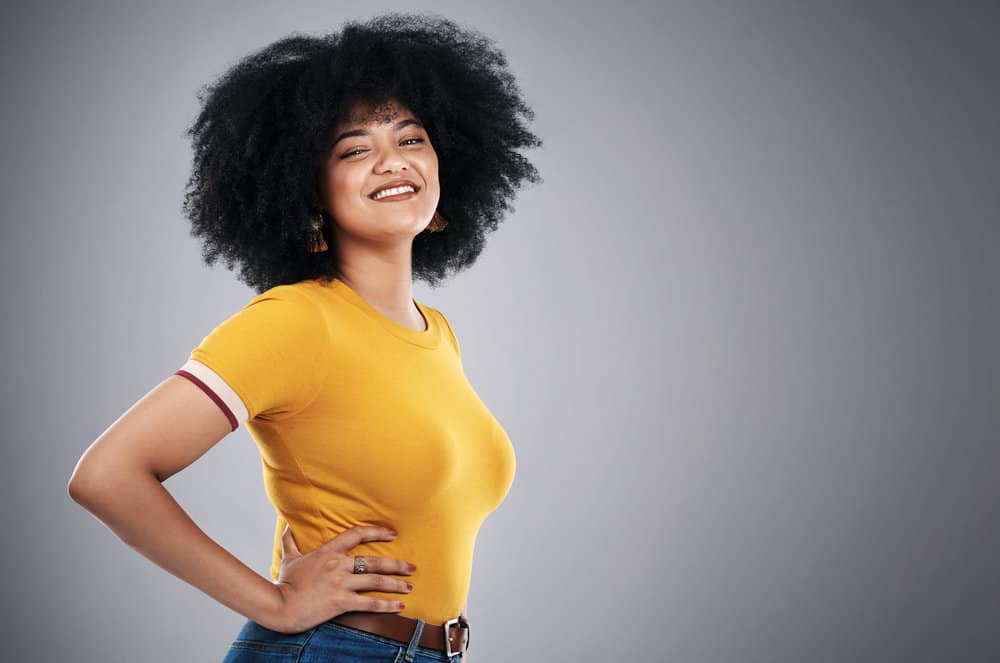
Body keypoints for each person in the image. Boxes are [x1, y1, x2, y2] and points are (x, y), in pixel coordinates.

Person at [67, 12, 541, 662]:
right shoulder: (295, 321)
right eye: (353, 148)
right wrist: (277, 602)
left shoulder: (439, 334)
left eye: (412, 138)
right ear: (307, 187)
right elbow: (106, 474)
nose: (391, 161)